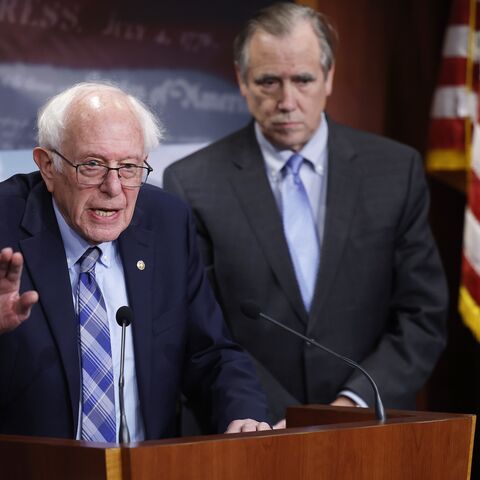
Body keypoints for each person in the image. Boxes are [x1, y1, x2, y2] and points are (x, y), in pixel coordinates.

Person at [163, 2, 448, 427]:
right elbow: (202, 326)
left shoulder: (395, 170)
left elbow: (422, 315)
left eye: (303, 80)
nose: (287, 100)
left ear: (329, 78)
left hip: (369, 430)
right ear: (242, 81)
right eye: (268, 82)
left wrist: (352, 405)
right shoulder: (192, 181)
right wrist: (282, 416)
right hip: (253, 429)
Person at [0, 82, 272, 442]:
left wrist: (244, 415)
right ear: (48, 166)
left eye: (128, 167)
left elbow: (209, 353)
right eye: (93, 165)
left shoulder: (167, 223)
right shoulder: (5, 223)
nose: (113, 188)